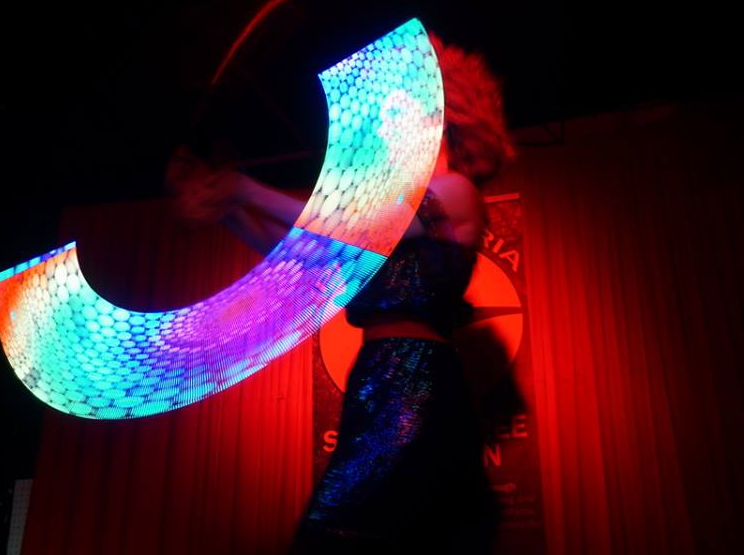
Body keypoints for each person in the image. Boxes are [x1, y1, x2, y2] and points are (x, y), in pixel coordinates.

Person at [166, 31, 516, 553]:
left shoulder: (455, 191)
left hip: (416, 378)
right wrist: (227, 209)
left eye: (396, 110)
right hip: (376, 376)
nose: (383, 125)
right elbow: (304, 253)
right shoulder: (385, 212)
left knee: (343, 531)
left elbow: (355, 228)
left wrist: (245, 189)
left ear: (439, 119)